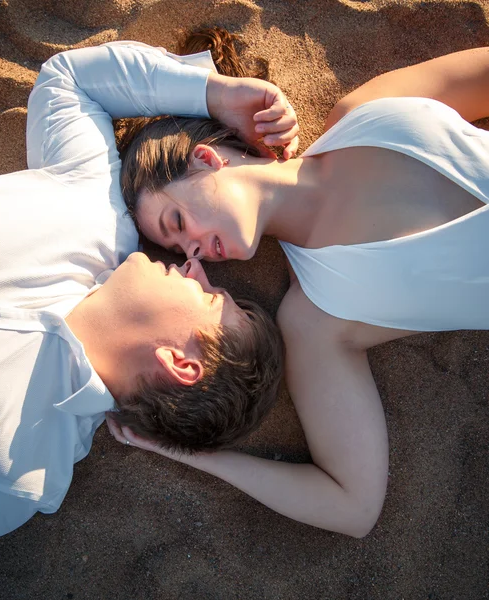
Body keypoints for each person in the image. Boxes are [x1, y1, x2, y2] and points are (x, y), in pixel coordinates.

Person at [0, 40, 291, 564]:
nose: (197, 267)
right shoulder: (95, 213)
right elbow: (68, 81)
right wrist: (215, 94)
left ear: (182, 364)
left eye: (213, 296)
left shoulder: (18, 477)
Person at [115, 35, 489, 538]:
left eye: (177, 220)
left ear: (205, 159)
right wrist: (195, 454)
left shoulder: (367, 112)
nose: (194, 251)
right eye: (180, 251)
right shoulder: (316, 317)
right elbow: (351, 506)